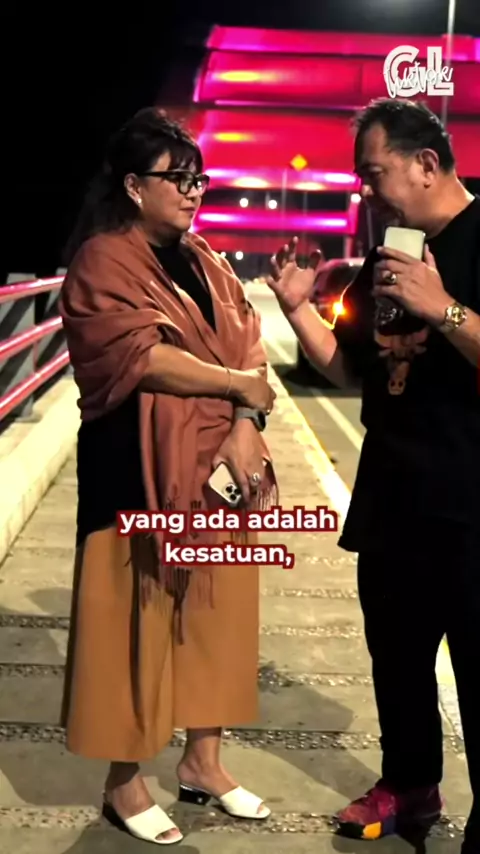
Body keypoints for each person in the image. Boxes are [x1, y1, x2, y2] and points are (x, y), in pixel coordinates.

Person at [58, 106, 278, 846]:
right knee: (133, 620)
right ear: (132, 185)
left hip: (220, 467)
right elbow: (139, 358)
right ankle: (123, 780)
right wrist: (238, 386)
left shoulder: (206, 258)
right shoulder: (102, 260)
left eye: (198, 178)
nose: (191, 191)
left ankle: (203, 762)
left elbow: (249, 344)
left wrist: (245, 422)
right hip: (133, 470)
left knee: (216, 616)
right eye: (175, 178)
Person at [266, 98, 480, 853]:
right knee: (397, 661)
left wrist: (443, 309)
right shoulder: (388, 255)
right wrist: (298, 312)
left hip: (469, 508)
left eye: (373, 172)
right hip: (392, 500)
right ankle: (411, 786)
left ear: (426, 164)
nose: (366, 190)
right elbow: (350, 368)